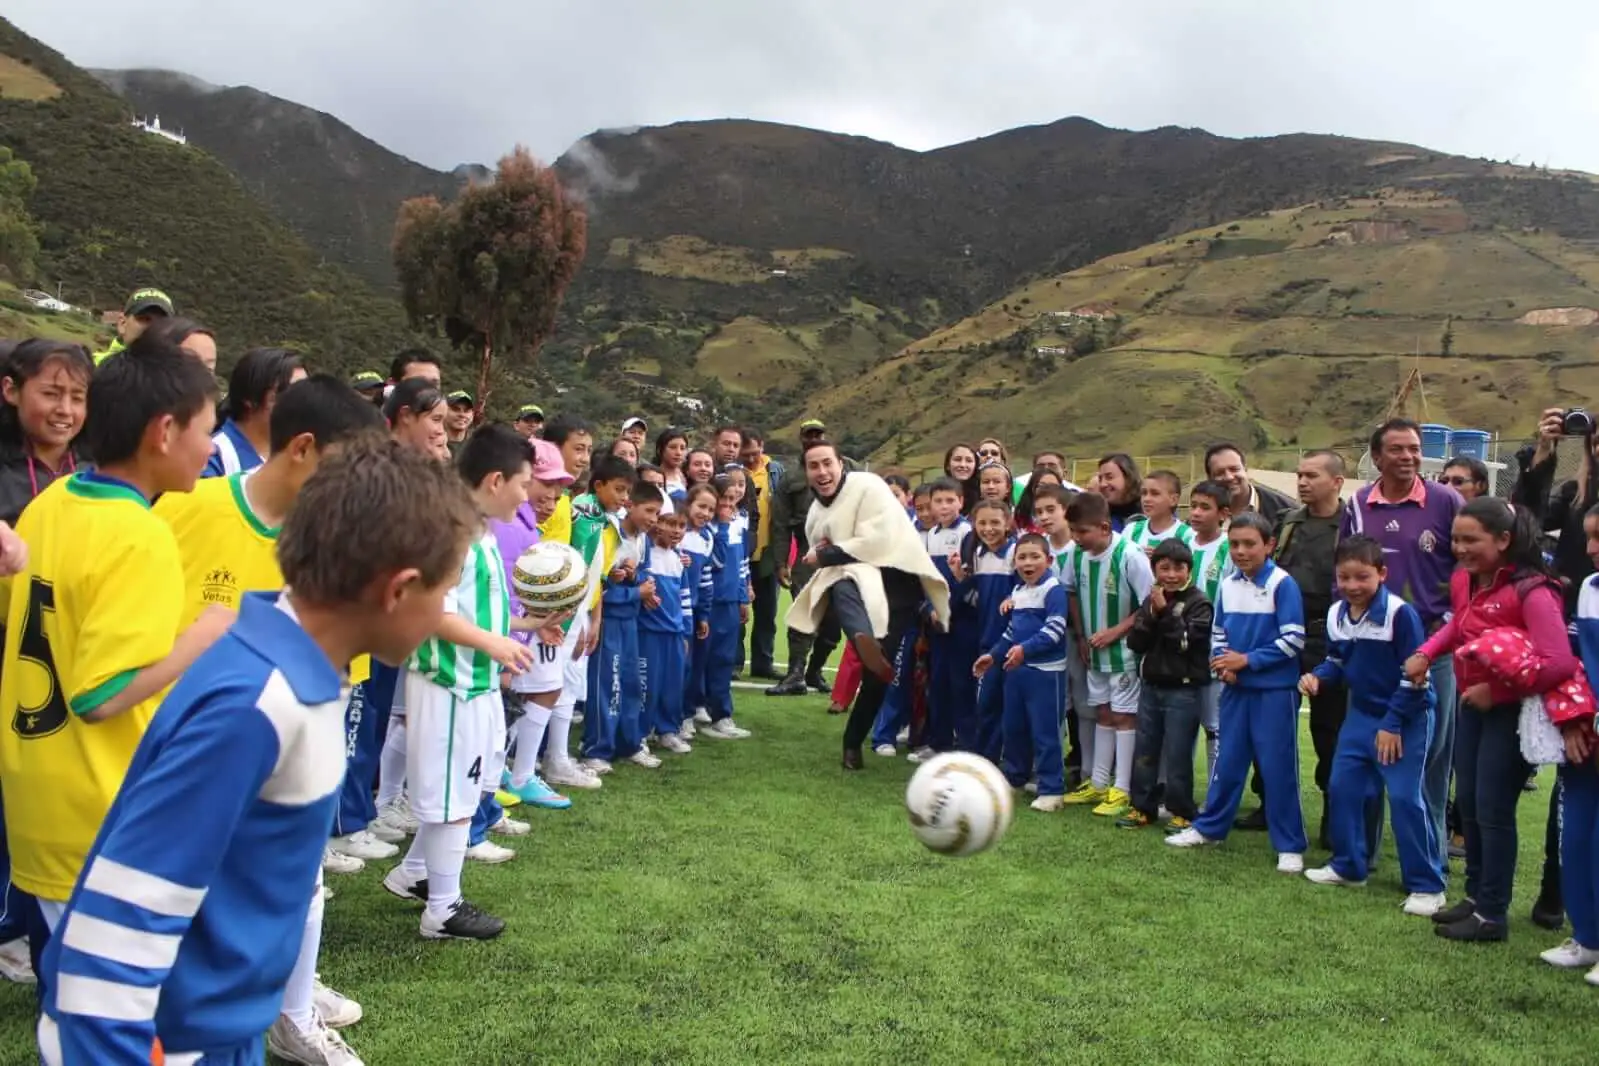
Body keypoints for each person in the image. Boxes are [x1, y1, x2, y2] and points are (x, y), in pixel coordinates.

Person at [36, 438, 478, 1066]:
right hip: (176, 1043)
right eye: (446, 592)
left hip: (225, 1030)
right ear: (399, 589)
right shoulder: (256, 704)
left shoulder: (300, 674)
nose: (444, 613)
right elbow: (112, 933)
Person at [0, 331, 228, 990]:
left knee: (70, 996)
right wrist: (202, 638)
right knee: (116, 1010)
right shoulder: (139, 537)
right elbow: (101, 697)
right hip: (100, 809)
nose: (212, 448)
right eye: (206, 430)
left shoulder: (54, 501)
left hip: (38, 789)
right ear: (164, 432)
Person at [381, 425, 537, 941]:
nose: (527, 494)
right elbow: (431, 611)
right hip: (448, 683)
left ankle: (414, 876)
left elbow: (476, 609)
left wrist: (517, 633)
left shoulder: (480, 529)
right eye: (523, 482)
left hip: (474, 682)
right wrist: (493, 646)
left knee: (464, 791)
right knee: (452, 798)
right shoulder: (449, 530)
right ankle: (442, 910)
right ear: (495, 480)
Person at [1406, 497, 1575, 942]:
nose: (1459, 548)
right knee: (1472, 807)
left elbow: (1558, 662)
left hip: (1512, 712)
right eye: (1455, 539)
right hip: (1472, 705)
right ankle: (1477, 898)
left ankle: (1492, 916)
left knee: (1494, 810)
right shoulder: (1466, 580)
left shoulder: (1534, 590)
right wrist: (1427, 651)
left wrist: (1496, 690)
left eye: (1470, 539)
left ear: (1504, 539)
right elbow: (1460, 626)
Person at [1301, 536, 1447, 917]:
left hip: (1406, 718)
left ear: (1382, 574)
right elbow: (1337, 660)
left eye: (1362, 577)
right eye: (1344, 577)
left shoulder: (1401, 615)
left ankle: (1428, 885)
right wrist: (1318, 677)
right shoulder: (1336, 614)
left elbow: (1414, 675)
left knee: (1404, 798)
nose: (1352, 586)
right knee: (1342, 787)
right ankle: (1349, 866)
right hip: (1361, 715)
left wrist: (1393, 723)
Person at [1340, 419, 1462, 875]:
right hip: (1375, 649)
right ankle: (1362, 858)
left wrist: (1445, 634)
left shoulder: (1447, 501)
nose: (1409, 456)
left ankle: (1432, 862)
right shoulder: (1357, 503)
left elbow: (1465, 572)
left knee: (1430, 760)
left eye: (1414, 448)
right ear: (1377, 456)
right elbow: (1346, 570)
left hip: (1434, 650)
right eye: (1398, 449)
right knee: (1370, 752)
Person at [786, 442, 949, 770]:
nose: (822, 472)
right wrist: (828, 556)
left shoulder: (869, 486)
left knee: (878, 674)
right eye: (813, 466)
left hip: (898, 579)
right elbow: (824, 552)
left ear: (840, 464)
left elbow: (879, 540)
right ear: (806, 472)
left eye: (827, 463)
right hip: (857, 578)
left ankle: (852, 742)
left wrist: (829, 554)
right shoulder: (815, 513)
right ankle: (863, 641)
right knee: (841, 580)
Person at [1167, 512, 1309, 871]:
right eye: (1234, 544)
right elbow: (1219, 633)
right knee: (1226, 763)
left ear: (1269, 545)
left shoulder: (1282, 584)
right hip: (1235, 690)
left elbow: (1294, 639)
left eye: (1249, 544)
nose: (1241, 551)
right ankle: (1211, 828)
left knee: (1278, 768)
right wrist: (1221, 663)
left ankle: (1289, 845)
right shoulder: (1228, 584)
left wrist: (1246, 661)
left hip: (1274, 692)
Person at [1264, 449, 1347, 843]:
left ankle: (1336, 816)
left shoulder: (1351, 526)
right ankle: (1270, 806)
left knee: (1329, 730)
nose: (1302, 482)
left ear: (1336, 481)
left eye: (1312, 475)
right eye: (1299, 475)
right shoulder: (1286, 523)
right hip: (1283, 636)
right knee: (1274, 726)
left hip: (1328, 638)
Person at [498, 439, 583, 808]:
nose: (552, 495)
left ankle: (512, 774)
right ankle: (509, 776)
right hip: (505, 636)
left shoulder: (527, 524)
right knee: (515, 698)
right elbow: (502, 589)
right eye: (543, 484)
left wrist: (536, 623)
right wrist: (519, 630)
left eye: (557, 488)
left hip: (523, 629)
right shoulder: (508, 526)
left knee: (542, 690)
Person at [1060, 492, 1154, 817]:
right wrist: (1082, 636)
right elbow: (1071, 592)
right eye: (1072, 531)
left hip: (1125, 653)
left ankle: (1123, 789)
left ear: (1103, 526)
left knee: (1124, 716)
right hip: (1093, 652)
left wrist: (1117, 631)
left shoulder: (1130, 555)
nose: (1075, 538)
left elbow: (1150, 604)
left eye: (1082, 532)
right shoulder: (1076, 555)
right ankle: (1099, 783)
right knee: (1102, 713)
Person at [1120, 539, 1212, 831]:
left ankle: (1182, 810)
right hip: (1150, 686)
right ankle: (1142, 807)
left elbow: (1185, 643)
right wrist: (1153, 615)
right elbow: (1136, 642)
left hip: (1183, 689)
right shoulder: (1151, 601)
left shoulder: (1199, 602)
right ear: (1155, 570)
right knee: (1145, 750)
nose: (1171, 575)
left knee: (1178, 753)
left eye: (1178, 568)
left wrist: (1168, 613)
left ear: (1189, 570)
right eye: (1164, 568)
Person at [974, 533, 1068, 812]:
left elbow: (1055, 630)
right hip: (1015, 670)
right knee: (1013, 727)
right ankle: (1015, 777)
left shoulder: (1054, 590)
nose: (1028, 563)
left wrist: (1024, 650)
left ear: (1048, 560)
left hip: (1045, 672)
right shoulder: (1018, 592)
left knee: (1045, 731)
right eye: (1022, 558)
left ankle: (1052, 789)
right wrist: (992, 655)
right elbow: (1011, 631)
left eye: (1035, 556)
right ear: (1014, 563)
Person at [1549, 507, 1599, 982]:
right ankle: (1586, 937)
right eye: (1588, 538)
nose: (1590, 550)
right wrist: (1573, 720)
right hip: (1585, 736)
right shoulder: (1587, 589)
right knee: (1577, 839)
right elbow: (1575, 665)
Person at [767, 422, 846, 698]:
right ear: (800, 439)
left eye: (818, 435)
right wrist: (780, 562)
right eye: (808, 435)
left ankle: (815, 669)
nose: (813, 438)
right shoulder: (790, 478)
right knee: (805, 612)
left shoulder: (849, 469)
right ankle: (795, 674)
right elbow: (779, 525)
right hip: (805, 552)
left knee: (836, 618)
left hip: (842, 552)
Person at [573, 457, 635, 771]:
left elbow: (599, 574)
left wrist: (594, 619)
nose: (624, 498)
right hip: (567, 613)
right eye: (619, 490)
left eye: (628, 492)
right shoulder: (581, 512)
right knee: (551, 688)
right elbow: (573, 566)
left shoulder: (607, 519)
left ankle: (554, 756)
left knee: (567, 688)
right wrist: (572, 617)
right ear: (598, 485)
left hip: (584, 612)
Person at [597, 481, 664, 768]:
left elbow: (637, 577)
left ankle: (630, 743)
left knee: (631, 684)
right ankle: (597, 750)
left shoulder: (643, 541)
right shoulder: (609, 535)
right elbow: (601, 588)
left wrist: (643, 587)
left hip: (631, 621)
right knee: (607, 686)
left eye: (657, 514)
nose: (653, 519)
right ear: (630, 506)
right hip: (608, 622)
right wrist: (637, 592)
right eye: (648, 511)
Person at [0, 339, 90, 526]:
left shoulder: (99, 467)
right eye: (51, 394)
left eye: (77, 398)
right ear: (11, 391)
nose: (65, 410)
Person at [1188, 479, 1234, 781]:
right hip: (1179, 651)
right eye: (1192, 506)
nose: (1196, 513)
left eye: (1205, 507)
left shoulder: (1231, 549)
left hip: (1214, 651)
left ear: (1223, 513)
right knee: (1181, 724)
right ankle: (1175, 794)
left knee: (1215, 725)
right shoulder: (1182, 542)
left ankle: (1217, 795)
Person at [702, 475, 754, 740]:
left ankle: (721, 715)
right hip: (709, 602)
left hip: (730, 603)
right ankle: (690, 711)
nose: (730, 506)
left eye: (734, 500)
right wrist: (721, 525)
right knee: (701, 660)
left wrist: (744, 592)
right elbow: (719, 562)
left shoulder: (739, 523)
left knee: (724, 659)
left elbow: (742, 559)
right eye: (725, 500)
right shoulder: (708, 529)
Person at [205, 347, 307, 477]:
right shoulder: (214, 457)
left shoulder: (301, 456)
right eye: (291, 394)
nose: (302, 404)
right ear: (250, 399)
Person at [642, 507, 693, 754]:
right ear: (656, 524)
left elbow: (685, 597)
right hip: (650, 631)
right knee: (647, 685)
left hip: (674, 633)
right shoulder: (645, 555)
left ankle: (667, 730)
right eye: (669, 524)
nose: (676, 531)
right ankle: (640, 733)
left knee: (672, 685)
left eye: (681, 526)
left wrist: (685, 632)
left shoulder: (679, 558)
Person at [741, 428, 785, 681]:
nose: (749, 459)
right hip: (741, 554)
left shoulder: (776, 471)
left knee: (767, 613)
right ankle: (734, 662)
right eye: (744, 454)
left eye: (753, 453)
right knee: (738, 611)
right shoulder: (734, 473)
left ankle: (763, 663)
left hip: (768, 554)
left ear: (762, 445)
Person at [1204, 442, 1296, 532]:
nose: (1229, 477)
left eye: (1234, 469)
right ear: (1209, 478)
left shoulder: (1286, 511)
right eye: (1219, 473)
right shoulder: (1202, 515)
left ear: (1246, 469)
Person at [93, 287, 173, 364]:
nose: (151, 327)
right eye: (144, 319)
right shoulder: (91, 369)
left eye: (162, 322)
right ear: (122, 323)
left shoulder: (175, 376)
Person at [1123, 469, 1194, 552]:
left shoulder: (1187, 535)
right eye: (1144, 493)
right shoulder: (1131, 530)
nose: (1147, 499)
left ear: (1173, 500)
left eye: (1155, 493)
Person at [384, 378, 448, 460]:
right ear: (406, 415)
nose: (441, 431)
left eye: (443, 422)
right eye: (436, 419)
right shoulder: (377, 465)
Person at [1093, 452, 1143, 532]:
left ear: (1128, 477)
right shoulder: (1097, 516)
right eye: (1100, 479)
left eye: (1109, 477)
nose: (1102, 484)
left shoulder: (1149, 513)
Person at [944, 443, 980, 515]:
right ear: (948, 465)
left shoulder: (982, 494)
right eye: (957, 459)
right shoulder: (936, 491)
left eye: (969, 461)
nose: (963, 465)